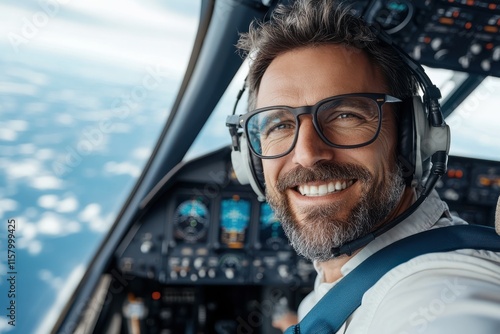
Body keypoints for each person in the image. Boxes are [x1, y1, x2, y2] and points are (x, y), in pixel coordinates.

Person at [230, 0, 500, 332]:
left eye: (345, 116)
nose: (307, 154)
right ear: (250, 161)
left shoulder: (438, 298)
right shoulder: (335, 288)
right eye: (279, 125)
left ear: (410, 138)